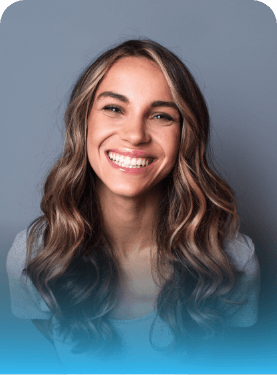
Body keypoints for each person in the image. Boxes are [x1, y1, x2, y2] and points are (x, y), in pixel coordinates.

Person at [6, 38, 260, 374]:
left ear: (185, 134)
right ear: (84, 123)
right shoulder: (33, 255)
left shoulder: (232, 260)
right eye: (114, 108)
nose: (135, 134)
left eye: (160, 115)